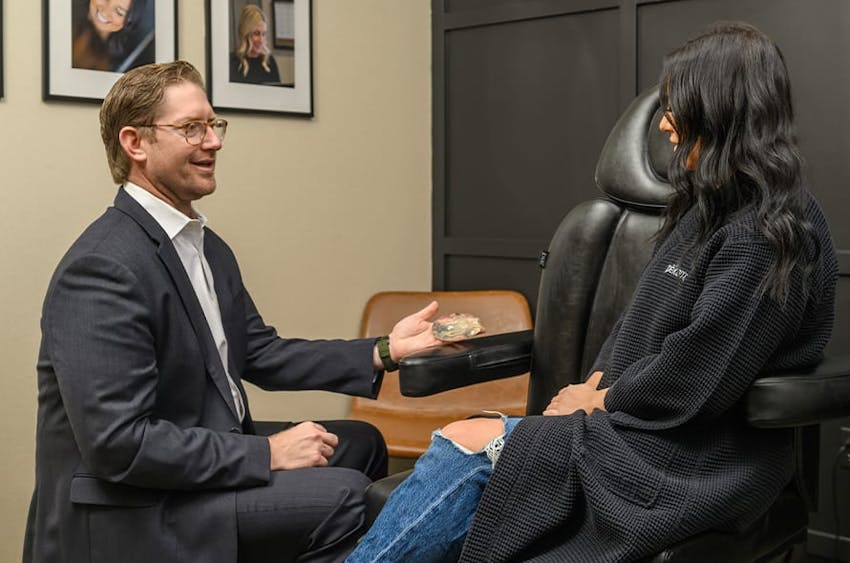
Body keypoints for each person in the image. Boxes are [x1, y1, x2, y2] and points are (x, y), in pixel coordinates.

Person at [346, 21, 839, 563]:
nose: (667, 125)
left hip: (694, 457)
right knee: (468, 440)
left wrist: (598, 400)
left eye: (679, 109)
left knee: (465, 441)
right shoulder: (704, 210)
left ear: (719, 111)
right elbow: (637, 324)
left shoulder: (766, 232)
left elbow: (699, 372)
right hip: (638, 428)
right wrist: (596, 386)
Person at [23, 60, 449, 563]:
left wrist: (385, 350)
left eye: (213, 124)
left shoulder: (205, 247)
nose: (214, 141)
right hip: (130, 506)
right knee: (348, 496)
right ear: (135, 143)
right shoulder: (102, 268)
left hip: (188, 458)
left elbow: (260, 353)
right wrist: (268, 454)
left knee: (362, 443)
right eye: (192, 128)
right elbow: (119, 445)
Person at [72, 0, 155, 72]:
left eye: (119, 12)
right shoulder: (66, 14)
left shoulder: (126, 61)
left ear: (129, 22)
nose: (105, 12)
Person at [230, 4, 282, 85]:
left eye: (264, 34)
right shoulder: (232, 62)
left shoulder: (270, 62)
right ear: (246, 34)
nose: (261, 40)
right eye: (256, 33)